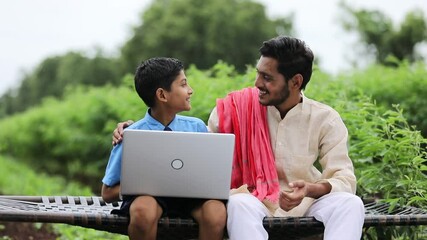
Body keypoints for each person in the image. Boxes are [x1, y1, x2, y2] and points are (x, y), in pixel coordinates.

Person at [112, 36, 365, 240]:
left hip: (307, 202)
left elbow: (344, 178)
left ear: (296, 82)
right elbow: (192, 157)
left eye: (267, 77)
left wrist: (310, 188)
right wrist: (137, 129)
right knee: (238, 205)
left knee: (351, 204)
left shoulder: (325, 118)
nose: (257, 83)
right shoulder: (234, 110)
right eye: (258, 74)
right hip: (253, 200)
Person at [102, 57, 227, 240]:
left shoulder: (197, 127)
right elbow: (107, 192)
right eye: (183, 85)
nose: (190, 90)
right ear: (162, 95)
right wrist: (142, 186)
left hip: (191, 199)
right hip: (149, 200)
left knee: (216, 212)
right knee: (143, 209)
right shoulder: (131, 134)